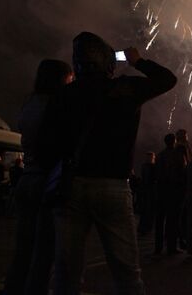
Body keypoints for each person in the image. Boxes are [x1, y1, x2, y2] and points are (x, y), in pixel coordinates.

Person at [36, 32, 176, 294]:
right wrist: (138, 61)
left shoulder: (64, 94)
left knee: (66, 276)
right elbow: (168, 79)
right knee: (127, 276)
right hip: (113, 187)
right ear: (107, 62)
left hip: (70, 186)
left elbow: (46, 145)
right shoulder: (125, 88)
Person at [4, 59, 73, 295]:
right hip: (46, 181)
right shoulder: (55, 106)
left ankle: (13, 289)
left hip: (28, 178)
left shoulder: (30, 102)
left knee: (23, 248)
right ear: (61, 79)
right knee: (44, 250)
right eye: (69, 78)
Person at [155, 133, 188, 255]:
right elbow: (184, 172)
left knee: (159, 221)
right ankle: (171, 247)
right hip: (174, 192)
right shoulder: (178, 155)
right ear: (174, 141)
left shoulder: (159, 156)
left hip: (161, 191)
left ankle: (157, 247)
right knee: (172, 220)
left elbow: (156, 174)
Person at [138, 152, 156, 235]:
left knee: (146, 209)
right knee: (149, 209)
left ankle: (143, 227)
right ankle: (146, 227)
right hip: (150, 191)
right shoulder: (152, 167)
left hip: (146, 190)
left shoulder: (144, 166)